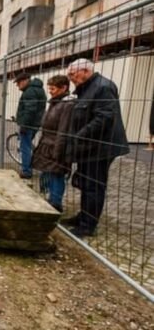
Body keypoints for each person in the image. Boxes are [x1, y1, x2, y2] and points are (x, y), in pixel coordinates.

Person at [63, 58, 129, 237]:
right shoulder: (86, 88)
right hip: (88, 146)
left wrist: (80, 135)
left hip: (100, 147)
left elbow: (104, 118)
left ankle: (88, 225)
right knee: (86, 182)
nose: (70, 78)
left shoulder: (103, 87)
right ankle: (84, 216)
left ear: (85, 70)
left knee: (94, 185)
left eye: (72, 74)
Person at [32, 75, 74, 212]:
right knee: (49, 173)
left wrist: (58, 151)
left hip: (56, 146)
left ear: (64, 88)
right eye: (49, 88)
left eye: (53, 88)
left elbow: (63, 130)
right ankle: (49, 199)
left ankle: (55, 203)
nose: (50, 91)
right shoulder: (55, 102)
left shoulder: (67, 105)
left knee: (57, 174)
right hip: (48, 144)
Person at [14, 72, 47, 179]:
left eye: (18, 83)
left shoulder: (30, 92)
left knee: (25, 148)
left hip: (29, 125)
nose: (17, 86)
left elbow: (30, 110)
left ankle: (26, 171)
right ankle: (30, 165)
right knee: (27, 145)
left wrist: (23, 125)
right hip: (35, 123)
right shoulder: (38, 89)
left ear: (25, 81)